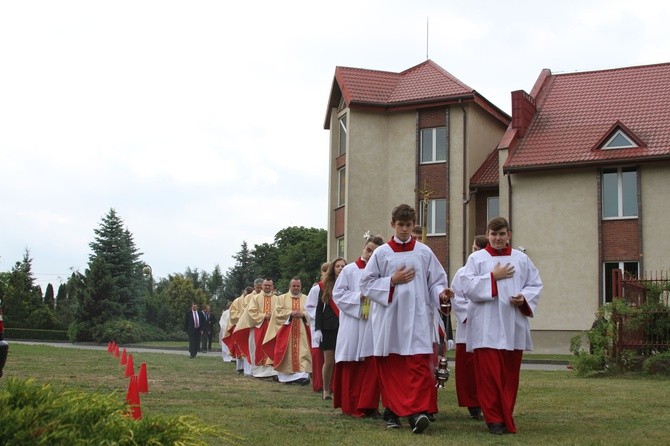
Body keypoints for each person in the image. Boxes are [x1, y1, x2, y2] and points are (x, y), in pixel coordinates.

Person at [359, 204, 452, 434]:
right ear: (393, 225)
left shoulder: (423, 252)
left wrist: (441, 293)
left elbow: (436, 281)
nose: (404, 229)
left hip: (418, 317)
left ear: (413, 225)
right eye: (400, 225)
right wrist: (392, 281)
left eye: (408, 225)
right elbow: (366, 284)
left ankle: (418, 413)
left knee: (418, 366)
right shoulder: (381, 254)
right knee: (393, 367)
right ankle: (392, 410)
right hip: (390, 319)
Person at [458, 216, 542, 435]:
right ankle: (494, 419)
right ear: (487, 235)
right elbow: (466, 287)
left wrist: (523, 298)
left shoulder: (521, 259)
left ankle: (506, 414)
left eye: (501, 234)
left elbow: (535, 284)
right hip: (486, 327)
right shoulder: (477, 259)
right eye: (493, 234)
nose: (497, 238)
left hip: (513, 324)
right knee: (489, 377)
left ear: (509, 235)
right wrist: (492, 277)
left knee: (509, 376)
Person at [332, 234, 384, 418]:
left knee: (371, 365)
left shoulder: (381, 273)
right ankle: (351, 405)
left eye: (375, 252)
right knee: (352, 362)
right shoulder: (350, 270)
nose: (370, 255)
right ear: (363, 248)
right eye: (368, 250)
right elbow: (337, 294)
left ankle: (370, 406)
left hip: (372, 324)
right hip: (353, 323)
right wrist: (357, 298)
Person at [450, 234, 488, 421]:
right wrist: (469, 316)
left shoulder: (492, 272)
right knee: (468, 370)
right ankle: (473, 404)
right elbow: (457, 296)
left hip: (489, 327)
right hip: (468, 328)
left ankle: (487, 401)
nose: (477, 253)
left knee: (485, 368)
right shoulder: (463, 272)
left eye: (481, 250)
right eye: (475, 249)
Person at [262, 278, 312, 384]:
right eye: (294, 286)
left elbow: (311, 311)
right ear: (290, 286)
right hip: (286, 332)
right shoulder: (282, 298)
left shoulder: (307, 298)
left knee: (303, 353)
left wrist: (303, 314)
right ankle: (285, 378)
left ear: (301, 287)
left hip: (302, 332)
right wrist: (290, 313)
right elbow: (278, 312)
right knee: (286, 355)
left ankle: (302, 376)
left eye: (298, 286)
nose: (296, 288)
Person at [232, 278, 278, 379]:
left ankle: (272, 372)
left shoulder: (277, 299)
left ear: (272, 286)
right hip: (258, 327)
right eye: (265, 285)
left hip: (272, 328)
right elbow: (251, 311)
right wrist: (264, 316)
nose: (267, 287)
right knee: (256, 348)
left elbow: (280, 311)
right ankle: (258, 372)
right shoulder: (255, 298)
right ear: (262, 286)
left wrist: (273, 316)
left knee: (272, 348)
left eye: (269, 285)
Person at [314, 257, 346, 400]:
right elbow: (319, 309)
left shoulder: (350, 283)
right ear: (333, 268)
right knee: (329, 360)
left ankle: (340, 389)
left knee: (343, 360)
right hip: (329, 326)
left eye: (343, 266)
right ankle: (326, 389)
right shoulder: (324, 285)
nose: (340, 268)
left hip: (345, 325)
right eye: (338, 266)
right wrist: (318, 329)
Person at [306, 262, 329, 393]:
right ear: (322, 273)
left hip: (332, 325)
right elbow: (309, 307)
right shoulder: (316, 289)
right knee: (318, 355)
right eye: (325, 272)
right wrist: (322, 316)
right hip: (319, 325)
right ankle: (319, 384)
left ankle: (330, 384)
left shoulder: (336, 287)